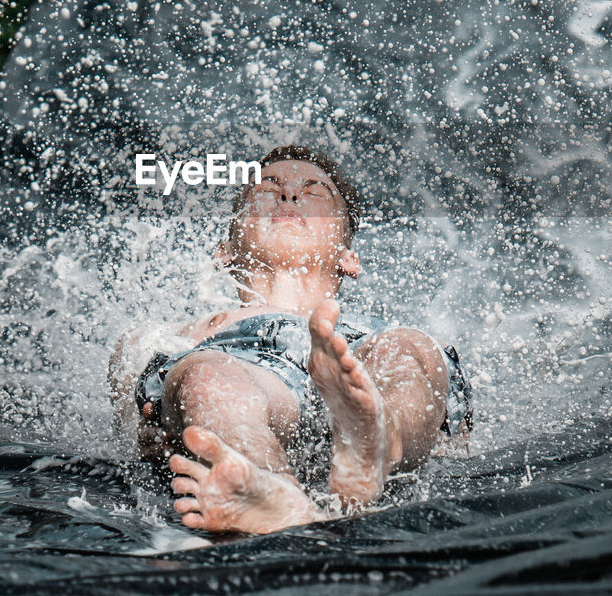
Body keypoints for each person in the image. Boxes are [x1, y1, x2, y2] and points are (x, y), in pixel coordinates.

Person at [108, 145, 472, 534]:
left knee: (409, 349)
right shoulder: (192, 331)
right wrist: (146, 420)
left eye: (315, 193)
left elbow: (454, 433)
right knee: (207, 377)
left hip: (355, 363)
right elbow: (135, 405)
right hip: (245, 364)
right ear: (225, 253)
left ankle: (383, 440)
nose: (289, 195)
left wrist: (429, 426)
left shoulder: (378, 334)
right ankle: (268, 486)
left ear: (348, 259)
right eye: (266, 189)